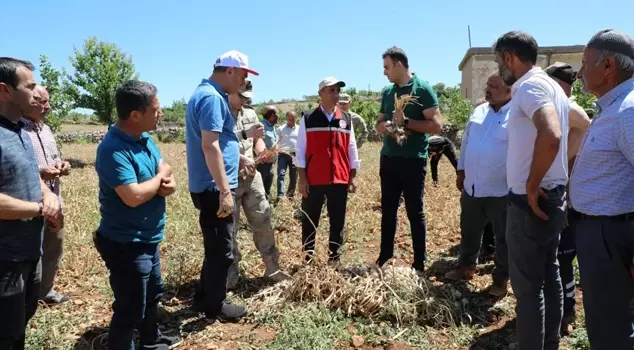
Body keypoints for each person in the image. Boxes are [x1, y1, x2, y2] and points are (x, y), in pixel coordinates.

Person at [495, 31, 570, 350]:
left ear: (510, 57)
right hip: (553, 196)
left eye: (500, 62)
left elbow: (551, 134)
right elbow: (576, 127)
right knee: (549, 272)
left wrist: (531, 183)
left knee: (527, 289)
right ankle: (550, 342)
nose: (500, 70)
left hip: (531, 203)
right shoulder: (554, 86)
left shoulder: (527, 85)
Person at [94, 80, 180, 350]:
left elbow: (164, 172)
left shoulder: (145, 139)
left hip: (147, 237)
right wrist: (160, 179)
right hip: (125, 243)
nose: (161, 113)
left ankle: (151, 342)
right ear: (135, 115)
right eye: (156, 109)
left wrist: (167, 183)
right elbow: (132, 196)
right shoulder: (113, 150)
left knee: (153, 295)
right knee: (130, 308)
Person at [570, 29, 634, 350]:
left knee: (610, 330)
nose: (580, 73)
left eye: (584, 64)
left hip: (612, 236)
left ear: (608, 66)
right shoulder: (613, 107)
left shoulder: (628, 110)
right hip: (603, 234)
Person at [186, 50, 257, 322]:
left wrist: (236, 156)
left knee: (215, 247)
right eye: (242, 74)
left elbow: (219, 141)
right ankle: (215, 305)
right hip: (214, 188)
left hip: (209, 185)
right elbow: (210, 145)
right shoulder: (212, 98)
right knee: (222, 251)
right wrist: (225, 191)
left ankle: (203, 297)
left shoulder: (206, 93)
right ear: (229, 71)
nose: (243, 80)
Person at [0, 57, 62, 350]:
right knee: (7, 334)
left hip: (29, 251)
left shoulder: (19, 131)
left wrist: (47, 195)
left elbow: (29, 173)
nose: (38, 93)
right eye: (30, 86)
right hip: (4, 260)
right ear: (5, 91)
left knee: (21, 321)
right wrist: (39, 209)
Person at [374, 46, 443, 273]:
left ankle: (420, 261)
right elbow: (378, 123)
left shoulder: (422, 90)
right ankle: (385, 256)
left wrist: (405, 123)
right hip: (389, 158)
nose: (384, 72)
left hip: (413, 159)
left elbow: (436, 125)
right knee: (389, 209)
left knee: (415, 210)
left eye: (387, 67)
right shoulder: (387, 92)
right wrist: (384, 127)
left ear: (399, 65)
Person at [444, 72, 512, 298]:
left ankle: (501, 280)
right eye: (488, 85)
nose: (488, 89)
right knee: (469, 230)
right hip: (473, 186)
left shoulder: (517, 115)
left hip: (501, 190)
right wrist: (461, 170)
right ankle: (465, 267)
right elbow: (466, 144)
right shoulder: (479, 111)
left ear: (509, 90)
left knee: (503, 238)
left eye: (493, 86)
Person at [227, 79, 290, 289]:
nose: (244, 102)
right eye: (241, 97)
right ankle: (230, 273)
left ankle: (272, 267)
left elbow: (257, 140)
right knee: (230, 227)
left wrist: (263, 151)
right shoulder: (220, 112)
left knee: (263, 218)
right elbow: (218, 143)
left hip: (251, 176)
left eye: (248, 98)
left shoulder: (250, 114)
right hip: (229, 178)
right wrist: (240, 158)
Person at [544, 62, 591, 335]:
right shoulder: (560, 112)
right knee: (556, 259)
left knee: (561, 259)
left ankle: (565, 312)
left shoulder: (569, 110)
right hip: (561, 197)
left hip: (565, 200)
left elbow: (585, 126)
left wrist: (566, 159)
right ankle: (558, 311)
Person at [296, 77, 360, 264]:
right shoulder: (308, 117)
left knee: (337, 221)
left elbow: (352, 147)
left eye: (337, 91)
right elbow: (300, 149)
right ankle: (307, 258)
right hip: (314, 179)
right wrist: (302, 178)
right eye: (331, 90)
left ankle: (334, 258)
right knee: (310, 220)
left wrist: (353, 175)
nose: (335, 95)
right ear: (320, 94)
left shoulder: (345, 119)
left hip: (339, 179)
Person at [21, 85, 71, 305]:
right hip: (28, 202)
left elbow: (54, 157)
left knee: (53, 245)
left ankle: (45, 291)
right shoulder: (15, 130)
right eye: (41, 101)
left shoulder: (46, 129)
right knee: (29, 249)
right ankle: (25, 295)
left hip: (54, 198)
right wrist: (41, 171)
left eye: (47, 101)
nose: (47, 106)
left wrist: (63, 165)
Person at [257, 106, 279, 200]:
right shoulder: (261, 126)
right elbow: (256, 142)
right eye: (277, 114)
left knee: (268, 186)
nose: (278, 116)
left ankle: (266, 204)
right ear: (272, 115)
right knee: (260, 187)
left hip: (271, 163)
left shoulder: (273, 126)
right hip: (262, 164)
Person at [276, 111, 298, 199]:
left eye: (293, 119)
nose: (292, 121)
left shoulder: (300, 129)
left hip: (295, 155)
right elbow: (277, 142)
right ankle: (280, 195)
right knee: (281, 174)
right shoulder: (280, 129)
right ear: (286, 118)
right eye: (290, 119)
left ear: (296, 118)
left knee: (294, 176)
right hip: (283, 154)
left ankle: (290, 195)